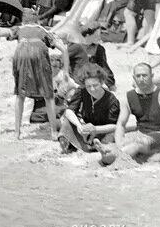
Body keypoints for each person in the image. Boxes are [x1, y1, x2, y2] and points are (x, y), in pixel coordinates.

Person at [10, 11, 58, 139]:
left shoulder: (19, 29)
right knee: (49, 95)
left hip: (21, 58)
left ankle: (17, 132)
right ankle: (53, 132)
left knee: (20, 95)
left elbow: (4, 34)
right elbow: (57, 45)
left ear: (23, 20)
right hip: (39, 59)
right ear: (36, 21)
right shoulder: (42, 30)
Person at [108, 62, 160, 163]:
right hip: (140, 133)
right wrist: (119, 143)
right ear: (134, 78)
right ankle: (112, 154)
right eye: (138, 76)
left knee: (138, 143)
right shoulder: (129, 97)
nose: (141, 78)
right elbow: (121, 124)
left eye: (144, 75)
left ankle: (115, 157)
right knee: (122, 141)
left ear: (152, 76)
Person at [59, 65, 120, 154]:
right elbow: (69, 110)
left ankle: (94, 147)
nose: (92, 89)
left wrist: (95, 129)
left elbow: (115, 125)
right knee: (67, 123)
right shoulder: (82, 91)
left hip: (103, 131)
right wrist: (79, 126)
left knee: (112, 136)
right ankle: (74, 146)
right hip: (85, 129)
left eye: (95, 85)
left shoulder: (111, 100)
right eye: (88, 86)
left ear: (102, 82)